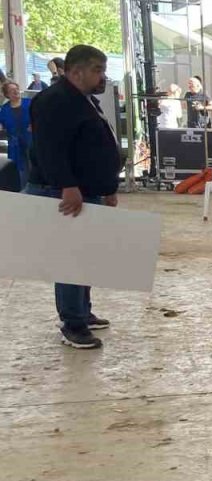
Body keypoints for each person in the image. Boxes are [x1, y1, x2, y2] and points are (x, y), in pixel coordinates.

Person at [26, 45, 121, 350]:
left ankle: (83, 310)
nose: (102, 76)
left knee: (85, 255)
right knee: (70, 258)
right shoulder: (55, 101)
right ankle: (73, 323)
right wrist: (67, 185)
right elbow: (49, 149)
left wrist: (108, 188)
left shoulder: (83, 100)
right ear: (75, 71)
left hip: (88, 190)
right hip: (66, 193)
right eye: (97, 70)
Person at [0, 81, 33, 187]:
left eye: (16, 89)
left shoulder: (30, 103)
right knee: (21, 169)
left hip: (32, 139)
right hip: (15, 143)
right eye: (11, 90)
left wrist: (35, 124)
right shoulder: (4, 109)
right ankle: (24, 190)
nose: (15, 91)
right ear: (7, 95)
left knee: (35, 165)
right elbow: (2, 124)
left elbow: (42, 116)